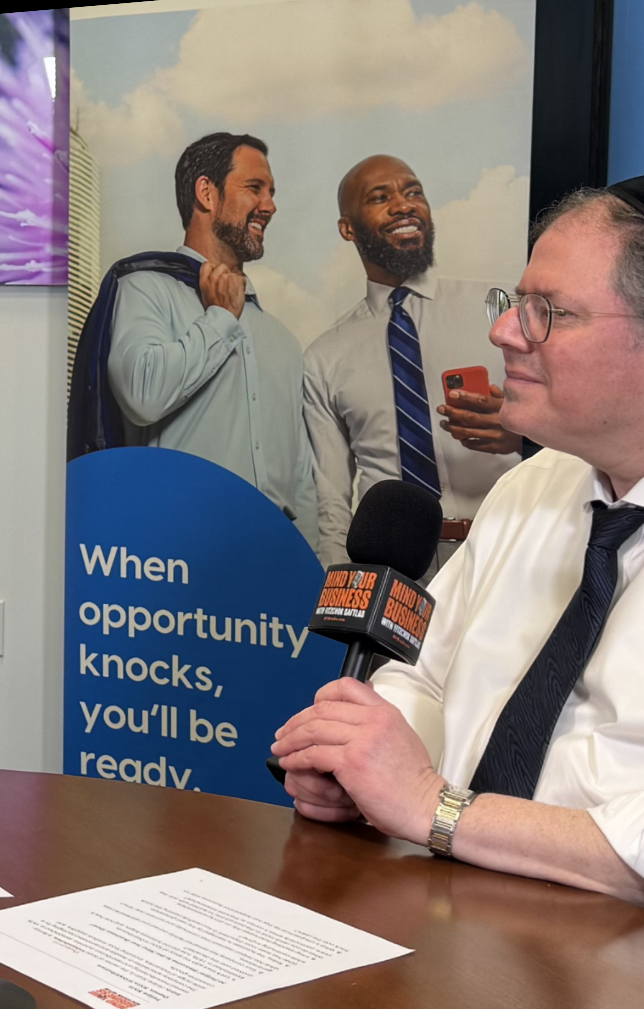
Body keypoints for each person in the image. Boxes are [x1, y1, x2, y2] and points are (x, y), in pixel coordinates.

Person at [274, 185, 644, 901]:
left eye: (548, 311)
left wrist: (431, 807)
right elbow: (419, 673)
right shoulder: (529, 489)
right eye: (515, 301)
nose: (504, 331)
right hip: (446, 914)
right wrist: (370, 765)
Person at [73, 131, 314, 544]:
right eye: (254, 188)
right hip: (171, 555)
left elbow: (302, 481)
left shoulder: (284, 342)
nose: (269, 206)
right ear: (207, 193)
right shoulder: (143, 289)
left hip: (272, 562)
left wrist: (312, 569)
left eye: (271, 192)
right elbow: (143, 395)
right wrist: (220, 317)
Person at [302, 154, 521, 567]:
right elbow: (331, 505)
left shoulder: (500, 307)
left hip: (508, 555)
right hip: (394, 572)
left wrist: (523, 437)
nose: (403, 205)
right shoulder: (324, 357)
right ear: (347, 228)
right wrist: (338, 588)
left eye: (413, 192)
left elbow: (577, 425)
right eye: (380, 197)